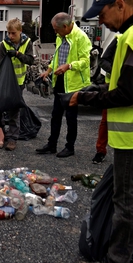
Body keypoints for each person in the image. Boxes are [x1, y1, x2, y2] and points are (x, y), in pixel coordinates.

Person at [65, 0, 133, 263]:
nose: (101, 22)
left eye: (102, 14)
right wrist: (89, 93)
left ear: (119, 4)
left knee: (127, 204)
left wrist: (85, 99)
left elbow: (127, 94)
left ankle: (117, 259)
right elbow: (131, 84)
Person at [35, 12, 91, 158]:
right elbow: (57, 57)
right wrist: (48, 71)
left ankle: (69, 147)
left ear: (65, 26)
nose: (55, 32)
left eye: (56, 29)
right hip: (60, 81)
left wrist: (69, 66)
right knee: (56, 114)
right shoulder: (61, 36)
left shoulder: (81, 38)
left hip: (73, 84)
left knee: (71, 118)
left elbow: (85, 62)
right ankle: (52, 144)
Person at [0, 18, 34, 151]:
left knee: (14, 110)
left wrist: (18, 54)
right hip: (6, 82)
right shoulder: (4, 44)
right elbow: (1, 65)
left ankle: (12, 138)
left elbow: (30, 60)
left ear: (20, 31)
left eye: (13, 33)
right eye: (9, 33)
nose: (10, 36)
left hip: (18, 83)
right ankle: (0, 134)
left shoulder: (27, 43)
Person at [92, 37, 117, 164]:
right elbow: (103, 61)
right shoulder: (119, 38)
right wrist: (118, 71)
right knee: (105, 121)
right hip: (112, 87)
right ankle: (100, 151)